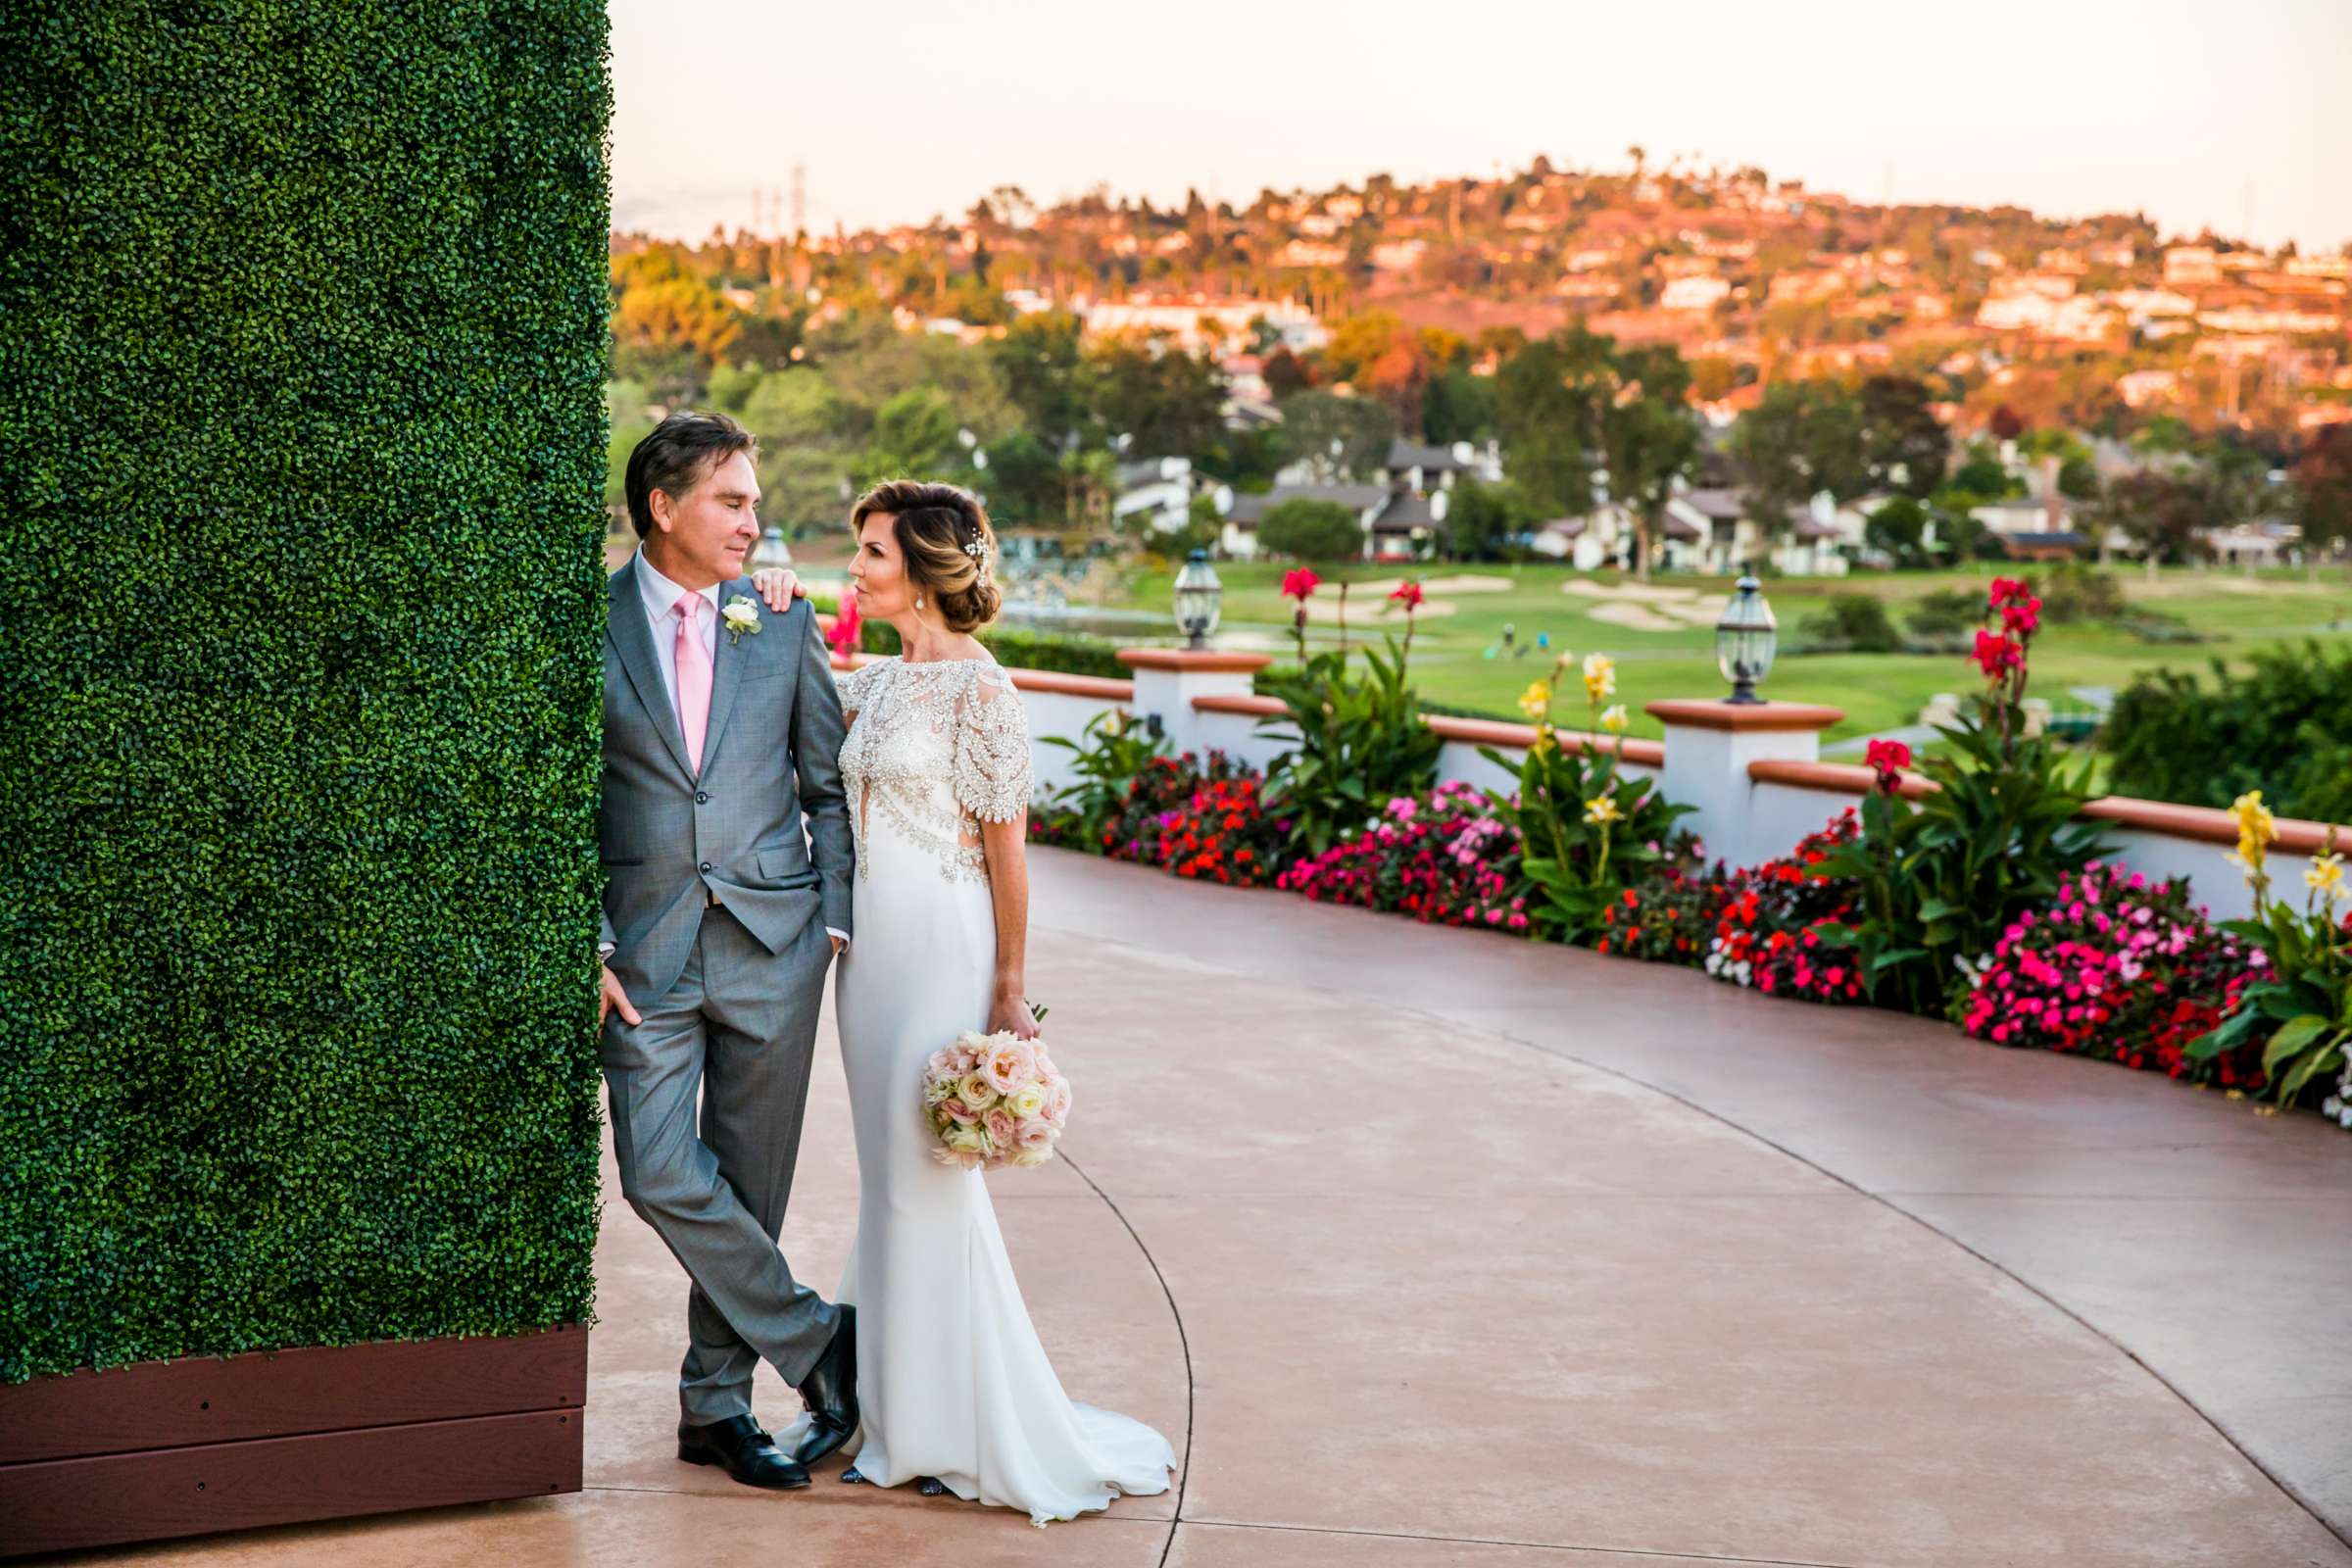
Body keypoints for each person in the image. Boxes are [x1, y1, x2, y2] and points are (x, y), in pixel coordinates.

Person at [756, 480, 1174, 1526]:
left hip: (945, 944)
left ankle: (940, 1426)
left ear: (926, 568)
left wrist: (1009, 991)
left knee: (924, 1176)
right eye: (855, 551)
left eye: (872, 553)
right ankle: (880, 1399)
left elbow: (1007, 852)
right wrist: (771, 599)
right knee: (891, 1179)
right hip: (870, 956)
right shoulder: (884, 680)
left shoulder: (986, 692)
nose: (855, 567)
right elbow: (785, 691)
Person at [598, 413, 858, 1493]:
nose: (755, 521)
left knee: (751, 1187)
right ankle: (820, 1341)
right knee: (660, 1171)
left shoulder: (779, 623)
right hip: (643, 957)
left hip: (774, 943)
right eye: (732, 500)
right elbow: (545, 799)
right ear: (664, 507)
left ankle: (716, 1407)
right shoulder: (583, 623)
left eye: (753, 500)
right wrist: (588, 940)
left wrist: (832, 921)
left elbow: (826, 783)